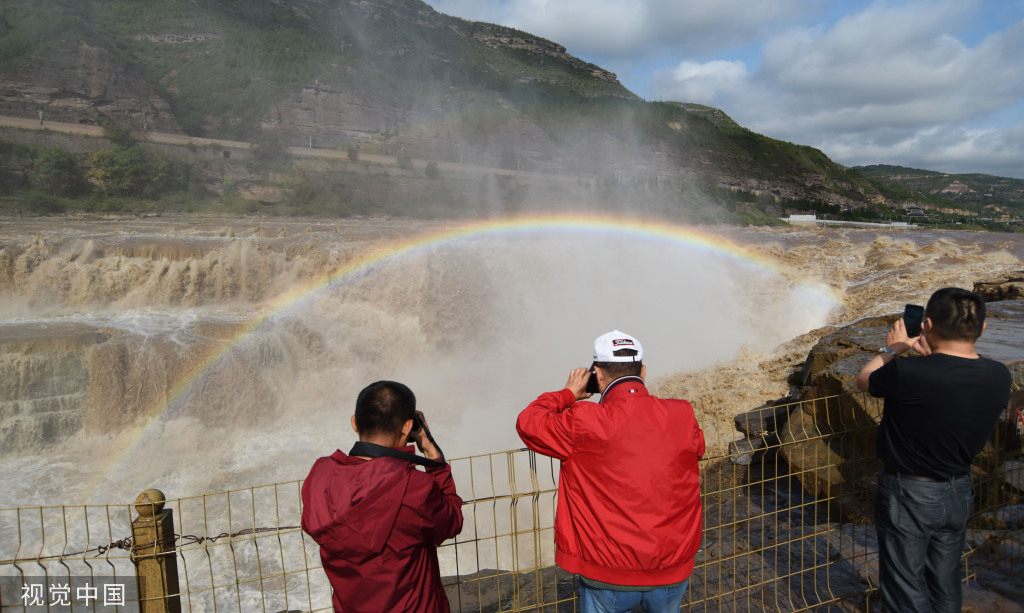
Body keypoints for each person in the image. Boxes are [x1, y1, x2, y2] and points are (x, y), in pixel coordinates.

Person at [516, 330, 705, 613]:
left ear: (597, 375)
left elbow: (529, 422)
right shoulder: (682, 413)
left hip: (607, 573)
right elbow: (697, 448)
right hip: (672, 567)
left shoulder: (583, 421)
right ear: (642, 370)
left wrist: (568, 393)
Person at [856, 288, 1011, 613]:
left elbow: (866, 379)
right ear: (982, 329)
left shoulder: (907, 372)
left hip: (908, 493)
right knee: (945, 583)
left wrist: (893, 348)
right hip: (958, 491)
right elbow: (949, 378)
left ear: (926, 324)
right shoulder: (999, 375)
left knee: (904, 590)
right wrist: (932, 356)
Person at [301, 381, 463, 613]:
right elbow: (451, 521)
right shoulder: (414, 487)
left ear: (355, 423)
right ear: (407, 427)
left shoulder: (320, 475)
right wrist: (431, 452)